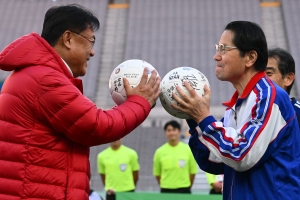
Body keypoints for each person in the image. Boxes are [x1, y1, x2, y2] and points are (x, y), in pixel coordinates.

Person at [0, 4, 160, 200]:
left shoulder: (32, 73)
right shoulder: (45, 79)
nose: (92, 53)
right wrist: (139, 102)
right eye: (90, 42)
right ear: (68, 38)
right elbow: (97, 125)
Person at [172, 21, 300, 199]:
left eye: (224, 49)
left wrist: (203, 116)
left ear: (250, 58)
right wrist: (192, 117)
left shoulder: (270, 96)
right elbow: (213, 160)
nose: (216, 56)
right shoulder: (237, 105)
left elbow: (242, 155)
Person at [153, 120, 198, 194]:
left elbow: (192, 172)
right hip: (166, 190)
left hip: (184, 189)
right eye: (169, 130)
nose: (171, 133)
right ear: (165, 133)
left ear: (179, 132)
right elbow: (157, 173)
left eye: (174, 130)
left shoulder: (188, 149)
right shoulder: (159, 151)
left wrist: (187, 186)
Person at [266, 48, 300, 124]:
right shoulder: (254, 114)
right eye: (259, 74)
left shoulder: (297, 114)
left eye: (268, 73)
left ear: (288, 79)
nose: (262, 79)